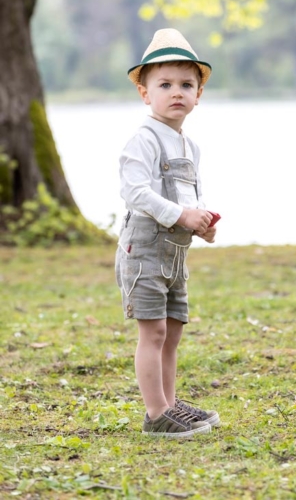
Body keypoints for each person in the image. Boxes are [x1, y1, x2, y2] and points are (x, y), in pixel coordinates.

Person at [115, 27, 220, 439]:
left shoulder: (189, 146)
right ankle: (156, 413)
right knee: (153, 330)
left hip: (175, 251)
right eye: (165, 84)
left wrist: (203, 222)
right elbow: (136, 192)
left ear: (198, 95)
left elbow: (189, 193)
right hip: (144, 247)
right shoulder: (143, 140)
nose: (176, 92)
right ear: (145, 93)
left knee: (173, 329)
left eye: (186, 84)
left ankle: (171, 403)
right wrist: (181, 215)